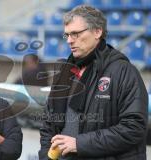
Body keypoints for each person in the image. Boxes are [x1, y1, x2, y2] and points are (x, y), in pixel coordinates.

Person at [39, 5, 148, 160]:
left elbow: (134, 127)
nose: (69, 40)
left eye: (75, 34)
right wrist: (45, 156)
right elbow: (49, 123)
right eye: (67, 35)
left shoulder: (123, 71)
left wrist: (79, 144)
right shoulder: (64, 71)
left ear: (97, 31)